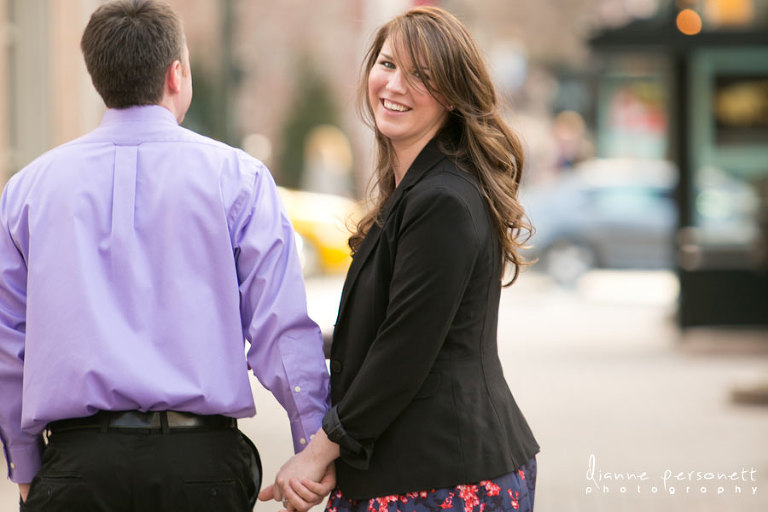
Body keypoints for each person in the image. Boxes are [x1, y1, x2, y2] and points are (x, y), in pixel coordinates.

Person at [0, 1, 331, 510]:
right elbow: (281, 332)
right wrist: (313, 447)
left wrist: (25, 462)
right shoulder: (238, 180)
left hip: (77, 467)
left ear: (98, 79)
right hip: (200, 468)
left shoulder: (27, 191)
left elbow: (8, 343)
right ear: (176, 74)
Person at [259, 6, 540, 512]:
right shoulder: (419, 191)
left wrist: (316, 453)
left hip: (443, 480)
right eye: (388, 64)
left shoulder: (443, 201)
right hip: (417, 473)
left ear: (454, 96)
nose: (395, 85)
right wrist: (292, 338)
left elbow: (404, 351)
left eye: (422, 76)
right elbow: (392, 327)